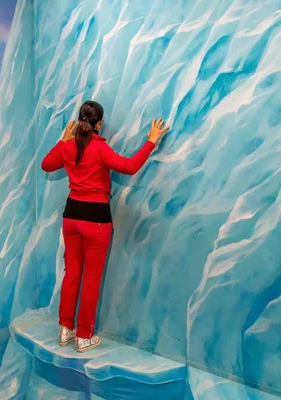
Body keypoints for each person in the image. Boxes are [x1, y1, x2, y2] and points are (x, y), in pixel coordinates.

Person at [41, 100, 169, 352]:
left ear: (80, 120)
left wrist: (63, 139)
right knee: (90, 278)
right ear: (99, 123)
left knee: (72, 273)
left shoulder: (68, 146)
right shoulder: (100, 149)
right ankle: (84, 336)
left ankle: (65, 330)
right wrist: (152, 141)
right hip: (95, 220)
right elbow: (129, 166)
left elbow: (46, 164)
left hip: (71, 217)